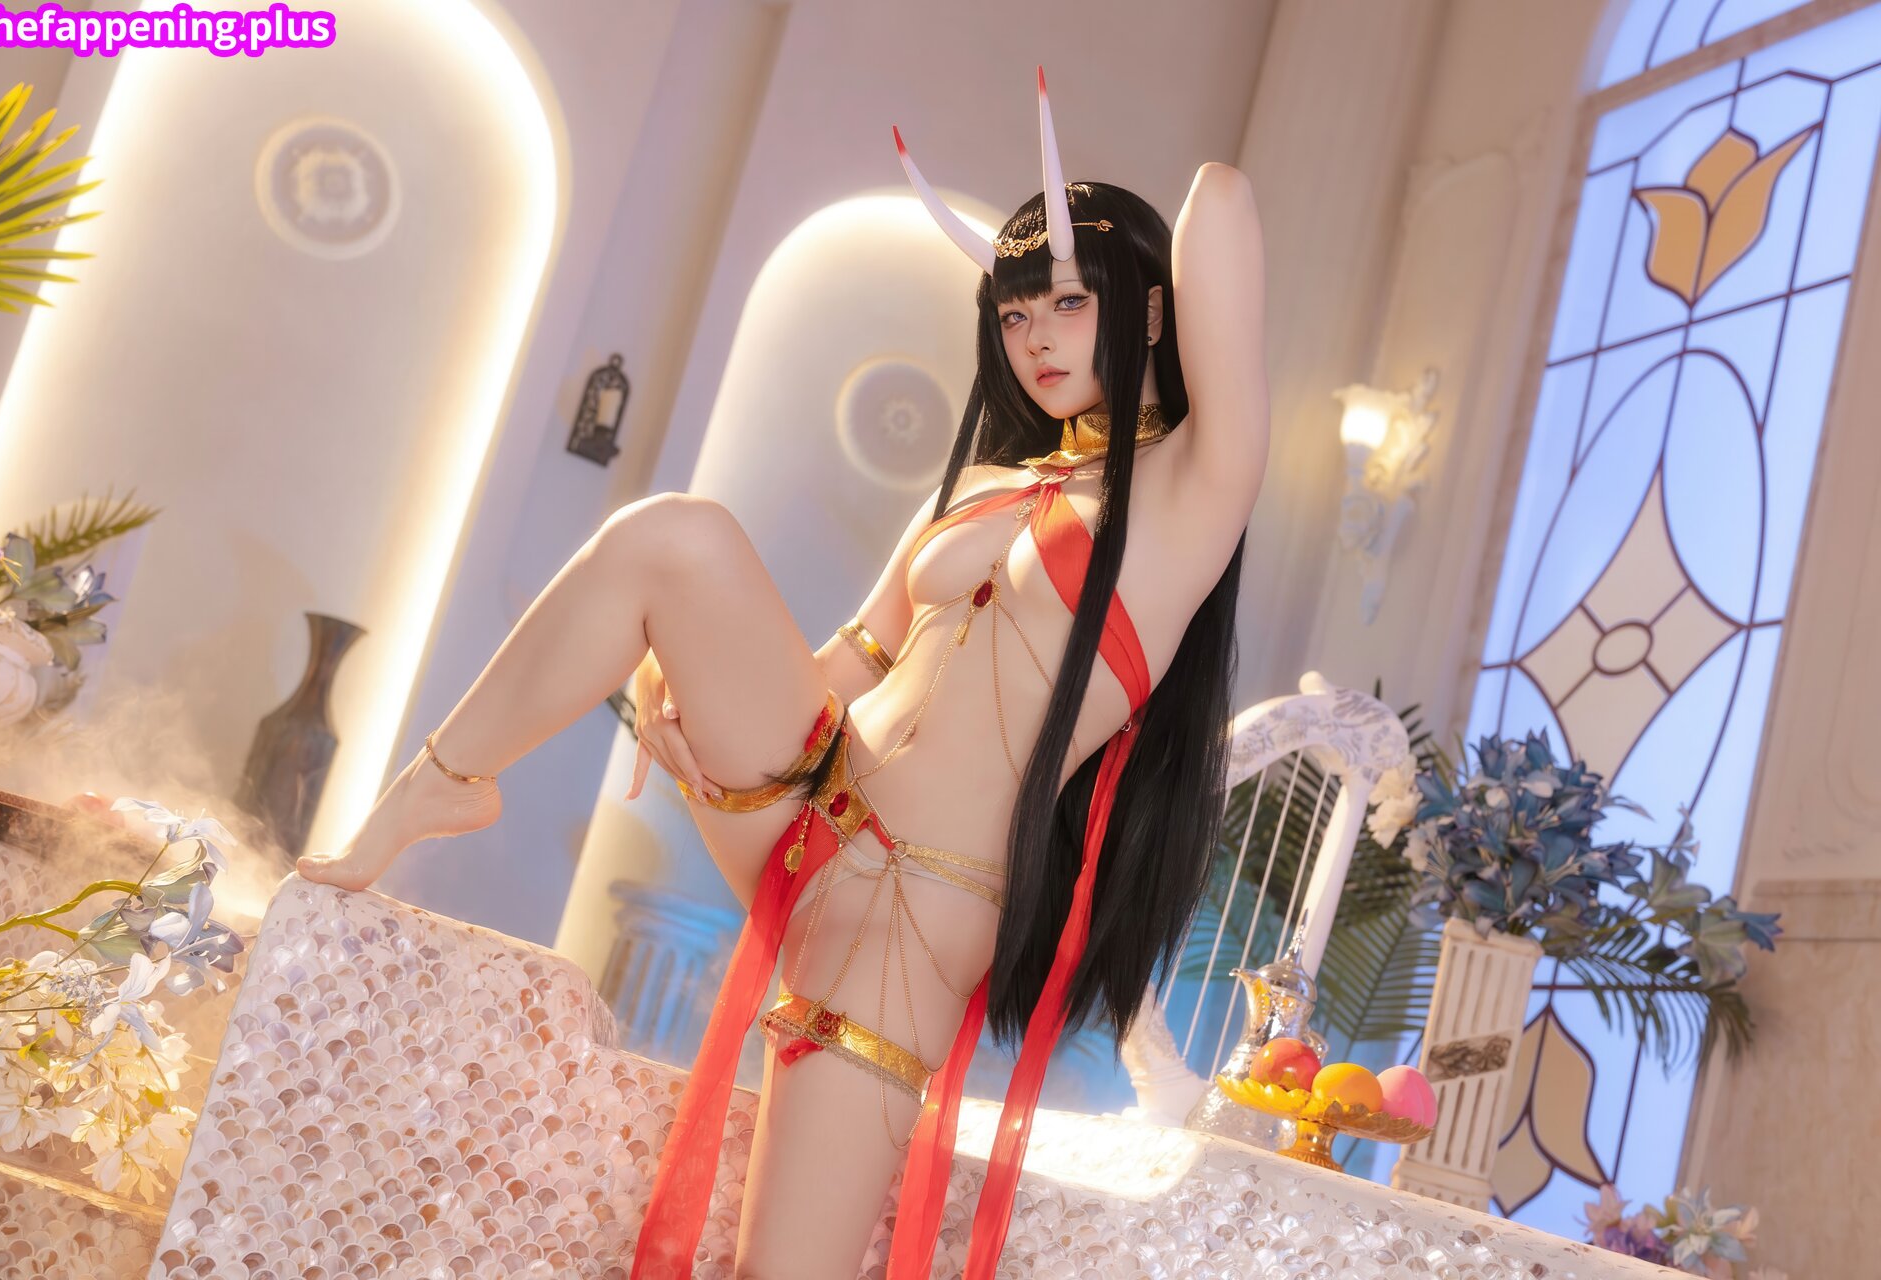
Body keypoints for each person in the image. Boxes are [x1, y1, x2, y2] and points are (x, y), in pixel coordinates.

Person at [297, 66, 1266, 1280]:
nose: (1035, 339)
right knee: (673, 536)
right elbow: (851, 662)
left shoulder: (1189, 495)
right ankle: (437, 785)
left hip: (911, 908)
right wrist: (694, 684)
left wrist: (1104, 229)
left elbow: (1223, 201)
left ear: (1151, 308)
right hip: (808, 803)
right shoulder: (986, 484)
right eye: (1015, 313)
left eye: (1069, 303)